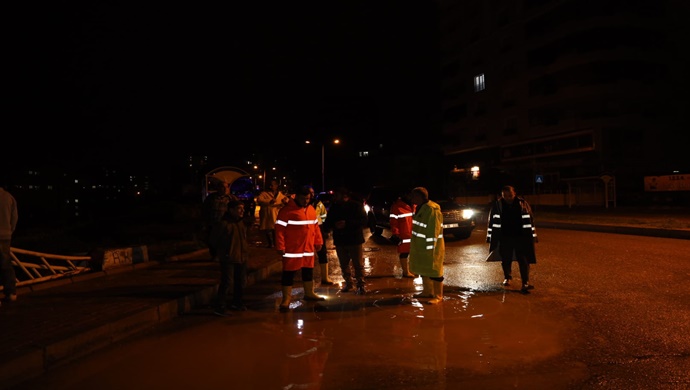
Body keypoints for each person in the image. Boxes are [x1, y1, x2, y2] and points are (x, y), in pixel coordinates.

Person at [275, 184, 325, 311]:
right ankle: (286, 299)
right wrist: (280, 246)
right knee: (288, 274)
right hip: (292, 249)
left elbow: (316, 227)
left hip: (307, 249)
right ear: (296, 197)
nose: (306, 201)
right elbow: (279, 230)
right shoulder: (286, 211)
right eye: (304, 198)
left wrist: (318, 242)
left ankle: (309, 293)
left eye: (308, 199)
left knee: (308, 272)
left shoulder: (311, 210)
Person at [487, 185, 538, 294]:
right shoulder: (497, 205)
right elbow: (492, 222)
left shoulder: (523, 203)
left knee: (524, 260)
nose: (508, 198)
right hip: (504, 237)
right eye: (505, 195)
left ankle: (525, 283)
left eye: (510, 195)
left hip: (521, 237)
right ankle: (508, 277)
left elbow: (531, 220)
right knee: (506, 258)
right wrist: (490, 237)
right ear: (502, 195)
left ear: (514, 194)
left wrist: (533, 236)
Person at [322, 187, 369, 295]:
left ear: (344, 196)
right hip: (340, 240)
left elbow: (363, 220)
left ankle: (361, 285)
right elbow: (328, 222)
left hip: (354, 239)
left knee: (358, 264)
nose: (334, 197)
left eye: (336, 195)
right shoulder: (334, 207)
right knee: (344, 264)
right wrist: (332, 226)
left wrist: (346, 223)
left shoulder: (356, 206)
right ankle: (349, 283)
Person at [211, 199, 250, 316]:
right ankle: (220, 306)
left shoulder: (241, 222)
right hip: (228, 257)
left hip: (242, 257)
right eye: (239, 208)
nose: (242, 211)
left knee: (241, 281)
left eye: (243, 208)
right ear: (231, 210)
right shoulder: (224, 224)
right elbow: (214, 240)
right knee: (227, 282)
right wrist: (218, 254)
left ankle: (237, 302)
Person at [408, 187, 445, 304]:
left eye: (413, 196)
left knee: (434, 270)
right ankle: (427, 291)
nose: (411, 198)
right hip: (421, 245)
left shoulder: (431, 210)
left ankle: (438, 296)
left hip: (430, 247)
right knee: (425, 269)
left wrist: (431, 249)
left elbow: (433, 231)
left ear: (419, 197)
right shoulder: (420, 208)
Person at [201, 179, 238, 261]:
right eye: (222, 187)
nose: (225, 189)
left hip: (226, 224)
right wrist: (204, 222)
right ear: (218, 188)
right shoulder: (211, 198)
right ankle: (214, 255)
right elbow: (205, 209)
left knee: (226, 241)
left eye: (226, 187)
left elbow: (238, 210)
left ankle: (225, 255)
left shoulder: (232, 198)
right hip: (213, 223)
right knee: (212, 240)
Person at [308, 186, 334, 285]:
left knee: (322, 252)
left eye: (312, 192)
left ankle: (325, 277)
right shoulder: (301, 204)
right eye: (309, 192)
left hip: (318, 228)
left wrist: (324, 228)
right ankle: (307, 278)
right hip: (306, 230)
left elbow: (324, 216)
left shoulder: (318, 203)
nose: (311, 194)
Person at [389, 189, 416, 278]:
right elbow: (393, 222)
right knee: (404, 253)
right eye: (409, 194)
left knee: (414, 252)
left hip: (415, 234)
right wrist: (396, 233)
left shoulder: (414, 205)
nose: (411, 197)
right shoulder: (397, 207)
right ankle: (406, 272)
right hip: (404, 235)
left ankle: (412, 270)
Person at [0, 181, 18, 306]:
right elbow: (14, 218)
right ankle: (11, 292)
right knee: (5, 263)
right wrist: (9, 231)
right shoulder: (9, 197)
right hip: (5, 236)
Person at [256, 179, 289, 248]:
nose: (271, 187)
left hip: (275, 213)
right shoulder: (264, 193)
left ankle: (276, 242)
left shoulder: (280, 194)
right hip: (267, 213)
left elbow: (286, 202)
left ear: (276, 186)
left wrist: (284, 202)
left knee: (275, 229)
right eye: (270, 185)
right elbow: (259, 200)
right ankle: (270, 243)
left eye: (272, 185)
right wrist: (269, 201)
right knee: (267, 229)